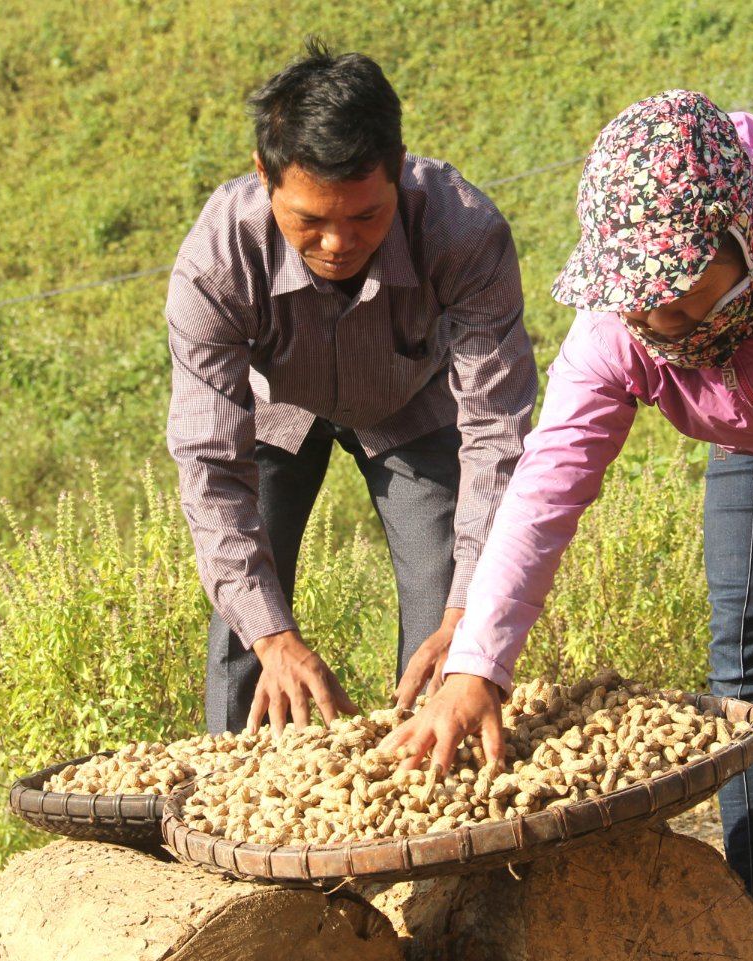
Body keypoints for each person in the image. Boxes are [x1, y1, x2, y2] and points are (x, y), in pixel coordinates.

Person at [384, 91, 753, 961]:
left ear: (740, 234)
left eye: (680, 299)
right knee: (748, 663)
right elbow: (544, 493)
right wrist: (480, 662)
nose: (664, 327)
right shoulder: (619, 329)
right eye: (643, 311)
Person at [164, 39, 537, 739]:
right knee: (245, 621)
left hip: (413, 402)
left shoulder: (464, 234)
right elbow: (210, 467)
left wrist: (469, 618)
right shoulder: (217, 261)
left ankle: (429, 796)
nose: (337, 242)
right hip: (276, 404)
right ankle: (234, 801)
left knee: (447, 613)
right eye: (309, 220)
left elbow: (497, 433)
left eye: (366, 216)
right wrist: (273, 638)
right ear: (264, 177)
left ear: (398, 171)